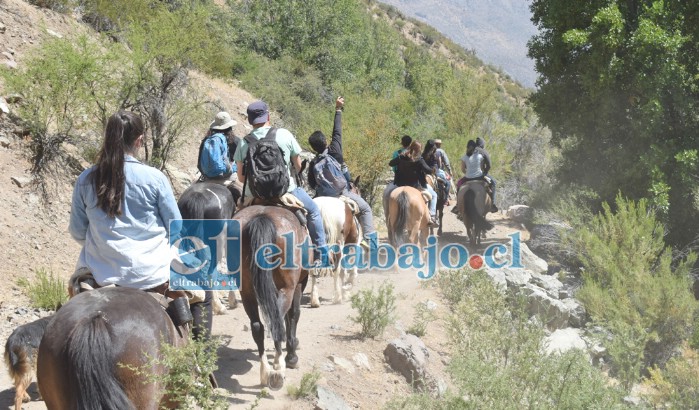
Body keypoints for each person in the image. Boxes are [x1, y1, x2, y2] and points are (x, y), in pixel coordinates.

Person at [68, 111, 198, 330]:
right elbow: (177, 228)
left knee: (71, 306)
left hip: (102, 273)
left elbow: (78, 231)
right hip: (151, 273)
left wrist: (103, 245)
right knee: (200, 293)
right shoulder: (155, 178)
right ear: (139, 140)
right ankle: (195, 356)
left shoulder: (86, 179)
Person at [234, 100, 331, 264]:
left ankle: (232, 263)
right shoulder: (284, 134)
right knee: (314, 211)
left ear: (250, 121)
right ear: (268, 116)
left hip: (254, 194)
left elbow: (241, 178)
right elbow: (298, 167)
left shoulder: (244, 142)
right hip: (285, 191)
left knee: (236, 221)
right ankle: (321, 254)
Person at [307, 97, 377, 250]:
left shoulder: (313, 163)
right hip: (341, 193)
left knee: (307, 215)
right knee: (365, 209)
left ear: (313, 148)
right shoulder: (334, 151)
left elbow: (312, 184)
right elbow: (337, 131)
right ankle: (370, 240)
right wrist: (338, 109)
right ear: (326, 141)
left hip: (321, 196)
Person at [388, 140, 439, 227]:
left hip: (400, 184)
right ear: (419, 149)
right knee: (434, 195)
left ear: (411, 147)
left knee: (388, 193)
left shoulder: (401, 156)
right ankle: (432, 216)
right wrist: (433, 169)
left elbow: (391, 163)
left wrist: (399, 159)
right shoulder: (419, 159)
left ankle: (389, 216)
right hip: (415, 185)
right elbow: (428, 170)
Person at [197, 111, 243, 198]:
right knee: (243, 196)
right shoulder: (236, 141)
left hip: (207, 177)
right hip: (227, 176)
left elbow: (199, 163)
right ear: (230, 127)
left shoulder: (207, 139)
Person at [383, 135, 413, 219]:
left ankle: (388, 215)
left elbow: (394, 168)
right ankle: (429, 216)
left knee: (387, 192)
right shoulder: (413, 153)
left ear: (402, 143)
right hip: (412, 182)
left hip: (399, 181)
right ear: (410, 143)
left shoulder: (397, 153)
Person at [422, 139, 451, 204]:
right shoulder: (437, 153)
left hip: (425, 172)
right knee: (448, 183)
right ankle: (445, 199)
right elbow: (440, 164)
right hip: (435, 172)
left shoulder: (423, 154)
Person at [475, 137, 498, 212]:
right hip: (480, 175)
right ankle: (492, 204)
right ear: (482, 144)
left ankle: (457, 206)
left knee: (459, 183)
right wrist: (485, 172)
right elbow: (489, 165)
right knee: (494, 183)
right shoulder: (484, 152)